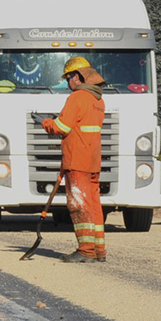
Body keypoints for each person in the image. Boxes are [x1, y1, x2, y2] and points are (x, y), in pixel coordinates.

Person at [41, 56, 107, 263]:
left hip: (77, 160)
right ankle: (99, 250)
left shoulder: (77, 97)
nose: (68, 82)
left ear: (78, 77)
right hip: (92, 160)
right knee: (94, 204)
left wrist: (46, 123)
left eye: (69, 76)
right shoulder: (98, 99)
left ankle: (86, 250)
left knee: (79, 203)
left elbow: (62, 127)